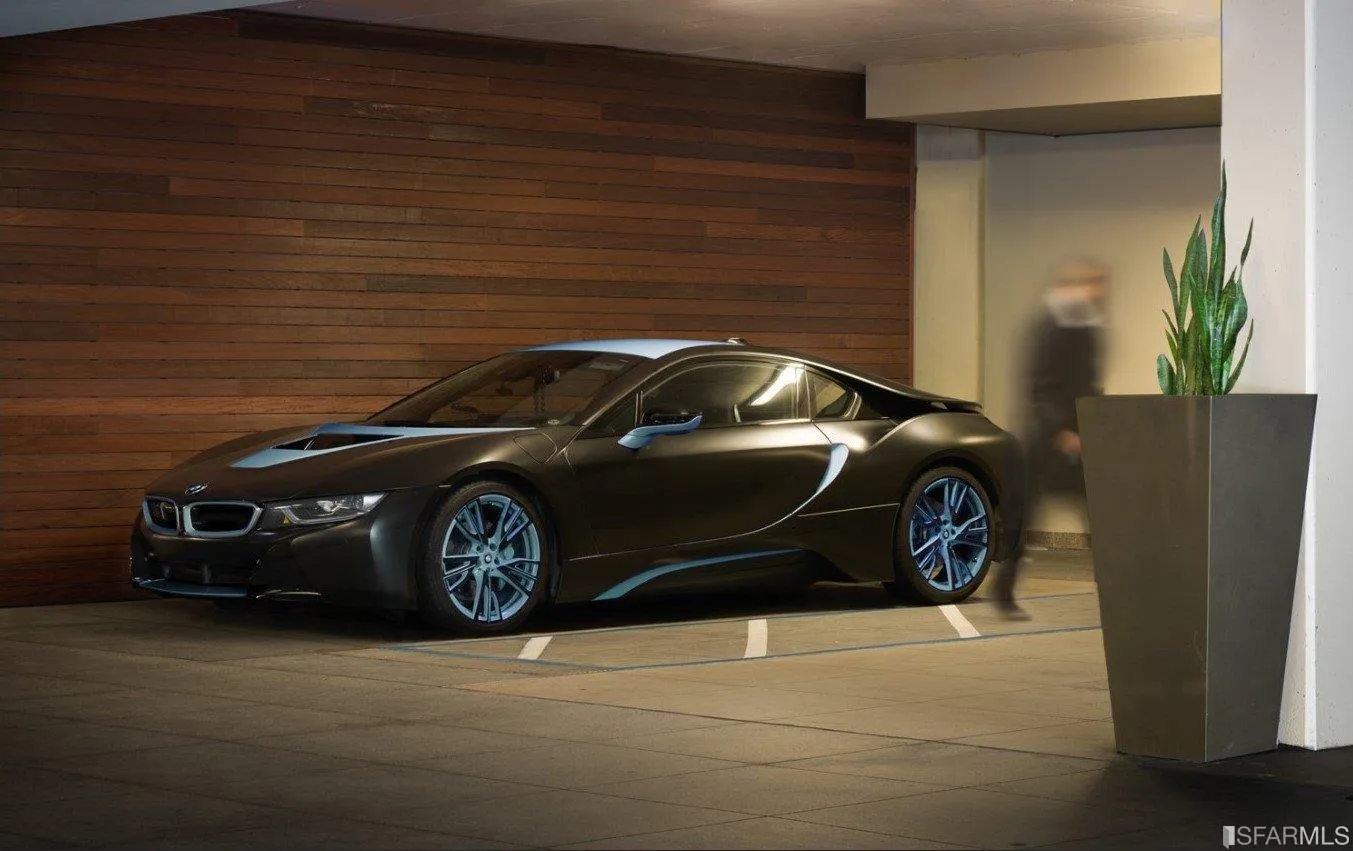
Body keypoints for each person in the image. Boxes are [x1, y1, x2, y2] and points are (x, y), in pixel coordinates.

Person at [993, 257, 1108, 619]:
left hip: (1078, 440)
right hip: (1044, 443)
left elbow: (1089, 385)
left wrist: (1092, 425)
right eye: (1093, 285)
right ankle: (1003, 591)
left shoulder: (1087, 328)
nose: (1098, 292)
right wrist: (1061, 430)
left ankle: (1113, 592)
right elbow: (1039, 387)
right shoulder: (1048, 328)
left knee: (1098, 515)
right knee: (1026, 517)